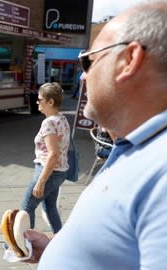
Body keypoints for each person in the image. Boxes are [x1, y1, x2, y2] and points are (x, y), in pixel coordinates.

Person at [24, 2, 167, 269]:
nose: (82, 78)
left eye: (87, 61)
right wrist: (59, 250)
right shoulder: (134, 148)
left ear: (129, 60)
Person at [21, 82, 70, 234]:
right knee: (50, 206)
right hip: (60, 172)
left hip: (48, 171)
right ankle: (60, 238)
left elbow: (53, 154)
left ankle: (25, 244)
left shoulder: (48, 123)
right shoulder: (62, 119)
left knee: (27, 207)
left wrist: (41, 182)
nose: (37, 102)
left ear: (51, 102)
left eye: (40, 99)